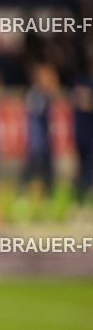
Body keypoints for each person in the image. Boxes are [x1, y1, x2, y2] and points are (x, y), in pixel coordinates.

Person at [16, 62, 59, 221]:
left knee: (47, 176)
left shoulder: (44, 96)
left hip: (45, 144)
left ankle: (45, 206)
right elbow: (35, 116)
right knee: (30, 174)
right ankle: (23, 204)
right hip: (36, 145)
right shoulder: (35, 94)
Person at [71, 60, 93, 218]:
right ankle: (80, 202)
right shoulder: (81, 81)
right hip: (83, 134)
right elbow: (81, 103)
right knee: (84, 169)